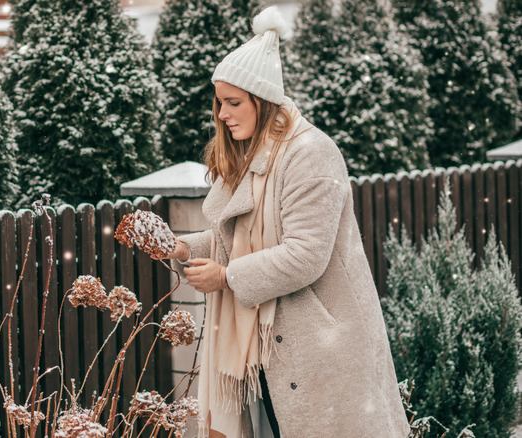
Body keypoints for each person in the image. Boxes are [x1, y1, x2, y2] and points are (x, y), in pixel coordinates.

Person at [163, 6, 410, 438]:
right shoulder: (248, 157)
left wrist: (226, 276)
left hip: (319, 350)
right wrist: (184, 249)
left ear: (262, 101)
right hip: (263, 350)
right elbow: (234, 235)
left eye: (233, 103)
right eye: (219, 102)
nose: (222, 113)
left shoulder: (310, 154)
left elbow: (304, 255)